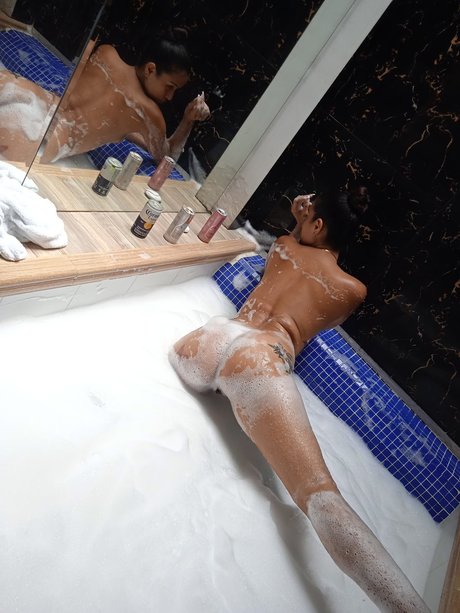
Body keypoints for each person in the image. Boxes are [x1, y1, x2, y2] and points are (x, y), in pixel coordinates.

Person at [169, 188, 430, 613]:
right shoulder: (352, 289)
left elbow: (292, 248)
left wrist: (296, 222)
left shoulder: (283, 246)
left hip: (207, 340)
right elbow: (315, 310)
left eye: (307, 212)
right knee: (319, 495)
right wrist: (309, 221)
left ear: (316, 224)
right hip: (259, 359)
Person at [0, 39, 209, 164]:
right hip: (39, 136)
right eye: (170, 86)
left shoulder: (106, 52)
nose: (170, 96)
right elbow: (166, 157)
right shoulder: (148, 112)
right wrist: (187, 120)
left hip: (27, 95)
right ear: (150, 69)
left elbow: (103, 115)